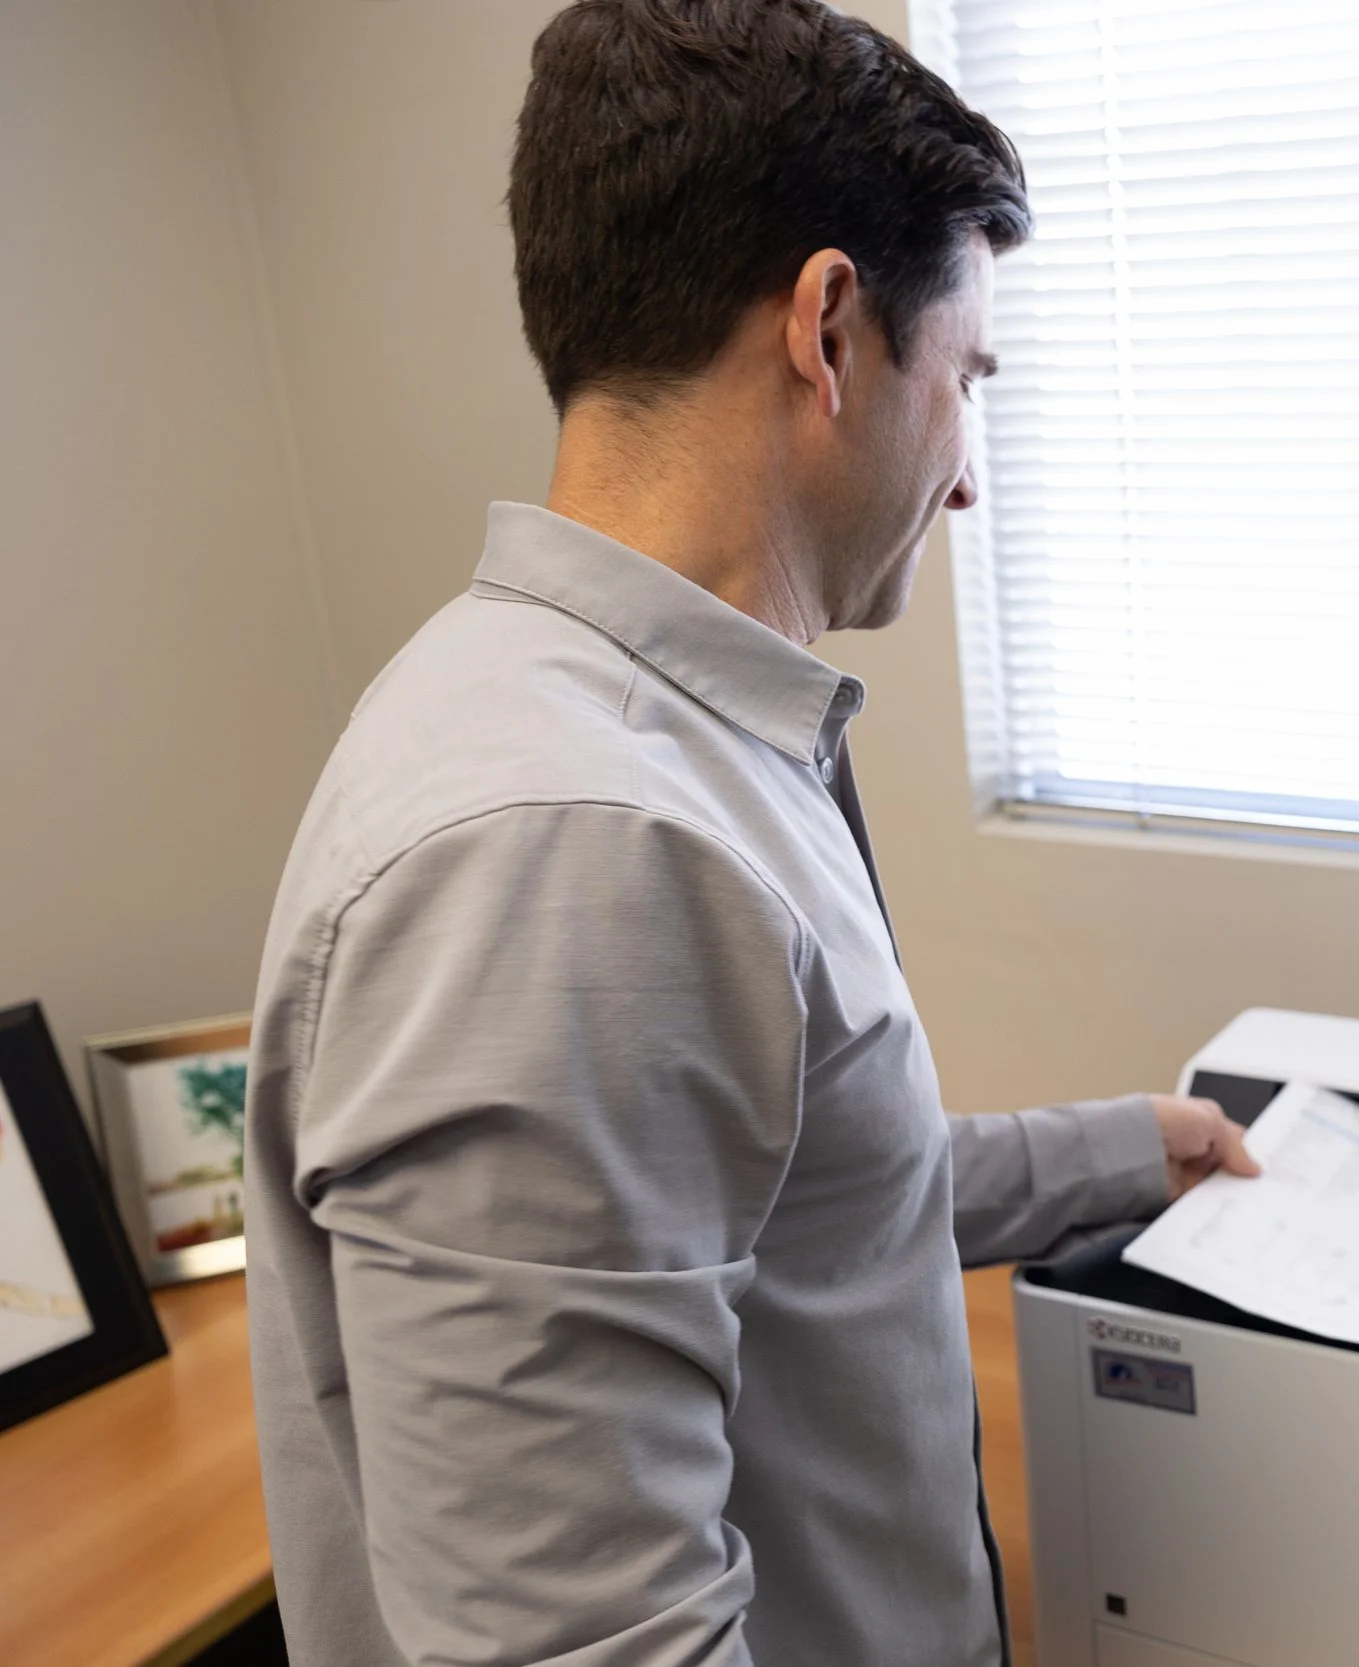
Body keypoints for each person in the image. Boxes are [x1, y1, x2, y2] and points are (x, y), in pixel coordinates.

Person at [241, 4, 1256, 1663]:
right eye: (967, 378)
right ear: (832, 330)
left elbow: (794, 1187)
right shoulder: (568, 850)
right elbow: (583, 1641)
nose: (971, 471)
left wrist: (1118, 1149)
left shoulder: (660, 740)